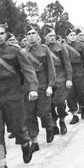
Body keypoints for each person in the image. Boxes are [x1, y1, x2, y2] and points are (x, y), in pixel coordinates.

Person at [0, 24, 38, 168]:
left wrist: (33, 88)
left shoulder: (14, 51)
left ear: (5, 34)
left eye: (1, 33)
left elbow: (28, 69)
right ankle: (2, 163)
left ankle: (25, 143)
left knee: (18, 129)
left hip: (13, 95)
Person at [23, 25, 57, 153]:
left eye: (33, 33)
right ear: (26, 36)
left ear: (37, 35)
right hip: (28, 88)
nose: (31, 36)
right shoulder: (22, 52)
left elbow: (51, 68)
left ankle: (49, 127)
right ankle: (35, 141)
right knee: (29, 115)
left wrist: (50, 86)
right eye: (29, 34)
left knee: (44, 112)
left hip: (43, 86)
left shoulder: (44, 49)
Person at [44, 27, 73, 135]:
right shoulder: (43, 48)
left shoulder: (61, 47)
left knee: (60, 102)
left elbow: (67, 64)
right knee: (50, 104)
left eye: (53, 35)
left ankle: (62, 120)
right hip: (48, 81)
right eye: (50, 36)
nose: (52, 37)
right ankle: (54, 121)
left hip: (61, 78)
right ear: (44, 37)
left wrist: (69, 79)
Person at [65, 28, 84, 124]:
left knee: (80, 92)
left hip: (79, 70)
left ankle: (83, 106)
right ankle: (74, 115)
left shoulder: (80, 45)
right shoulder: (63, 46)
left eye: (73, 35)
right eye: (70, 35)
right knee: (69, 94)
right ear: (67, 37)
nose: (72, 37)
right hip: (67, 72)